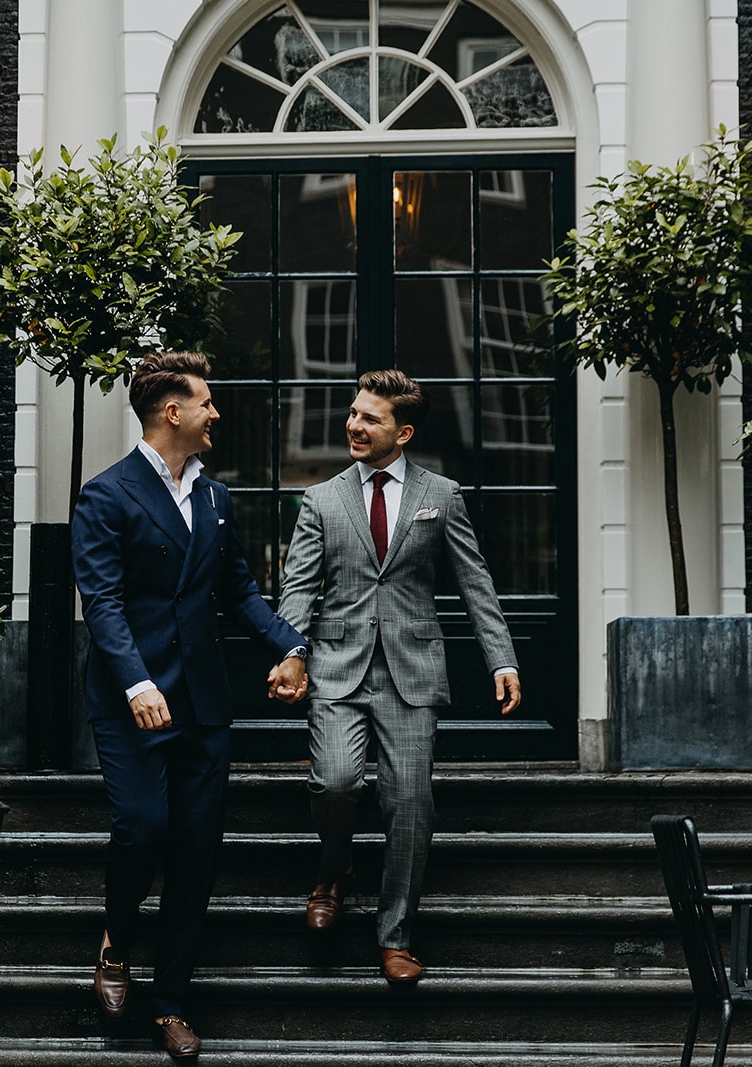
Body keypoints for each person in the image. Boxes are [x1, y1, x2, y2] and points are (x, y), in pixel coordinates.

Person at [72, 351, 308, 1059]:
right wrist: (138, 682)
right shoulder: (105, 496)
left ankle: (170, 1001)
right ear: (172, 411)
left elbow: (236, 590)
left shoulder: (216, 497)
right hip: (132, 700)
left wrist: (288, 646)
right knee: (143, 828)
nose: (215, 413)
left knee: (197, 853)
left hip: (204, 702)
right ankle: (116, 940)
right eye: (205, 402)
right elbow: (104, 603)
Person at [270, 368, 520, 984]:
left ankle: (396, 935)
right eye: (353, 413)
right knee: (333, 784)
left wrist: (503, 658)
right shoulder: (322, 499)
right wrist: (290, 651)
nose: (354, 425)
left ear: (402, 432)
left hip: (411, 671)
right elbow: (299, 586)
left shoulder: (442, 495)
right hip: (337, 666)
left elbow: (475, 582)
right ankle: (333, 871)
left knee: (409, 802)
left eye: (370, 418)